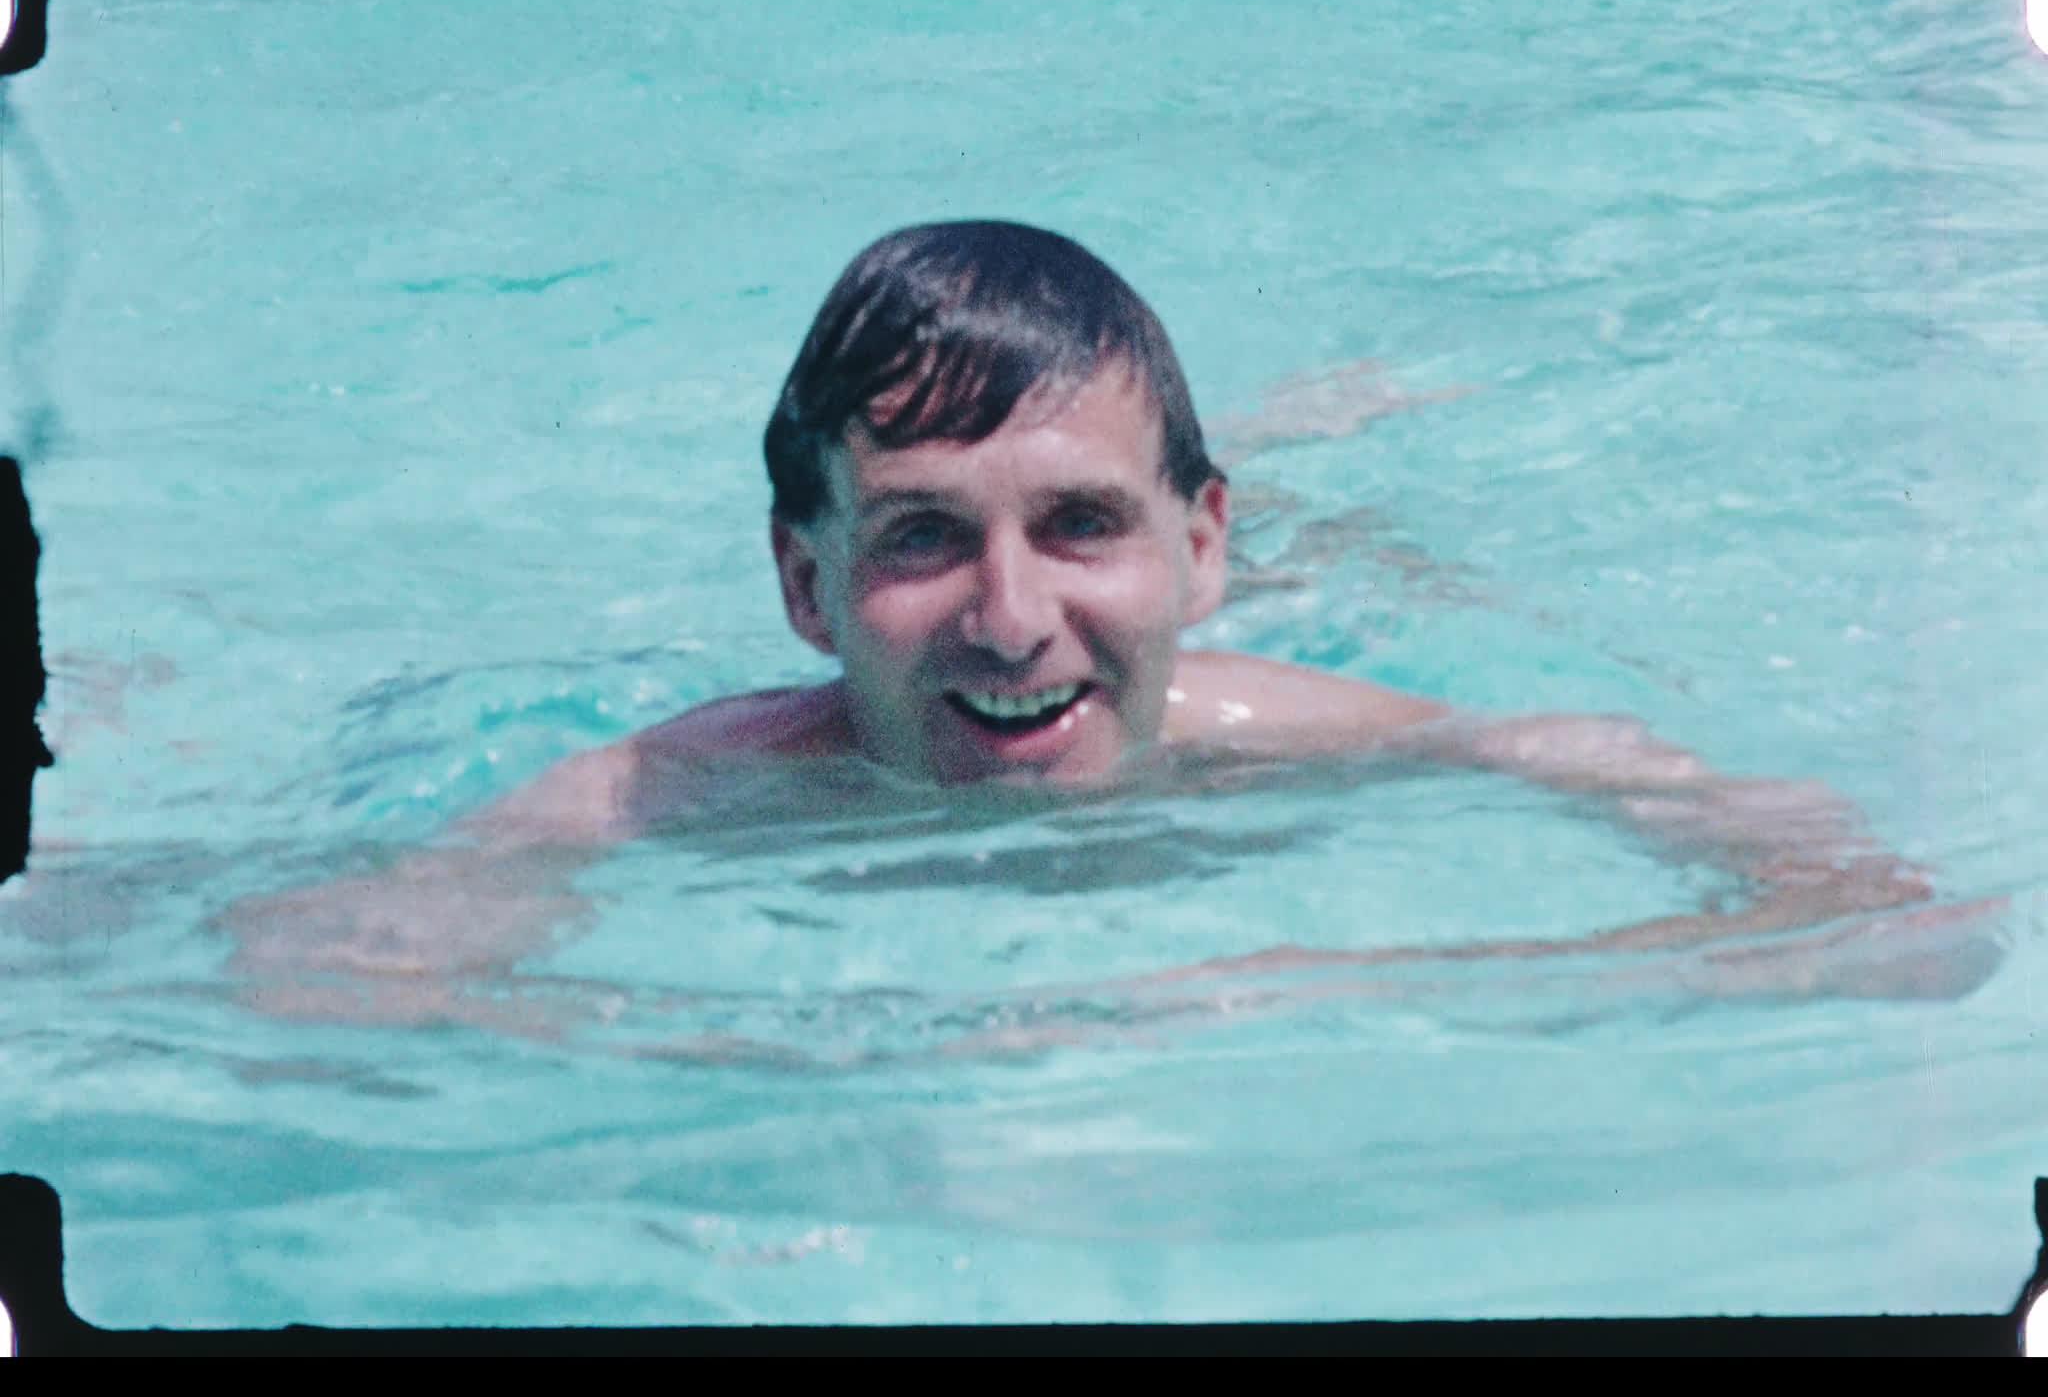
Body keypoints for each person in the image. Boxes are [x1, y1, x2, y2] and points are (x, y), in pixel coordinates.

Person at [219, 221, 2000, 1035]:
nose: (1010, 622)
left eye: (1080, 525)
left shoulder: (1303, 731)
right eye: (921, 540)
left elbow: (1891, 934)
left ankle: (1295, 444)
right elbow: (297, 983)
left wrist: (1281, 996)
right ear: (801, 587)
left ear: (1203, 552)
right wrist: (821, 1041)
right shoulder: (669, 790)